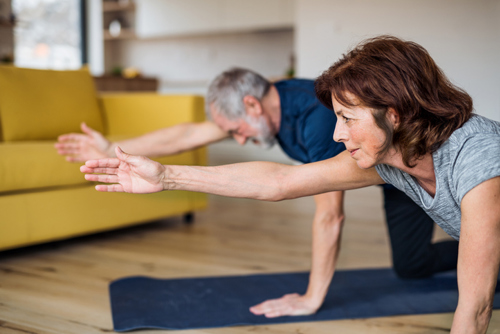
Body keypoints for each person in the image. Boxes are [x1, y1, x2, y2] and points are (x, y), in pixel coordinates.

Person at [69, 67, 458, 318]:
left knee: (412, 265)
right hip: (380, 170)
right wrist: (112, 149)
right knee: (413, 267)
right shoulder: (268, 99)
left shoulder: (318, 123)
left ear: (252, 104)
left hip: (410, 167)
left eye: (236, 130)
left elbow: (330, 214)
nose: (238, 139)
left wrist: (312, 297)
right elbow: (188, 133)